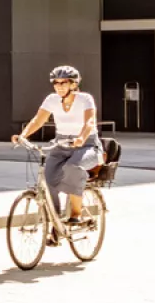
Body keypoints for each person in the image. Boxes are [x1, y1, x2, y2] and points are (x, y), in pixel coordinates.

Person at [15, 66, 101, 233]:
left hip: (87, 145)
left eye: (64, 82)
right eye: (56, 82)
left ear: (74, 84)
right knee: (48, 181)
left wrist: (81, 138)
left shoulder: (85, 99)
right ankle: (56, 223)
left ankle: (76, 214)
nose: (59, 86)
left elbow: (90, 123)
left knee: (72, 167)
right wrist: (23, 136)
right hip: (60, 144)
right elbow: (38, 121)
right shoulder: (51, 99)